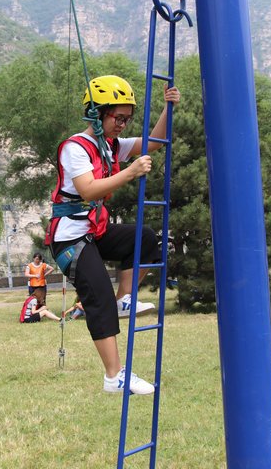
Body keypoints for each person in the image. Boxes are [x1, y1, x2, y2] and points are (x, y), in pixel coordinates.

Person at [45, 75, 180, 395]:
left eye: (127, 119)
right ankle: (114, 375)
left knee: (148, 239)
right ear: (96, 113)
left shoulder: (111, 147)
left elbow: (151, 144)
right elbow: (88, 189)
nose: (123, 124)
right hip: (70, 239)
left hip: (96, 230)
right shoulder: (75, 148)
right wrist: (129, 172)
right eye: (117, 118)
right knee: (98, 296)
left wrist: (167, 108)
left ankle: (125, 299)